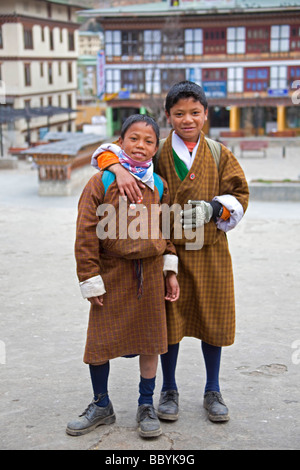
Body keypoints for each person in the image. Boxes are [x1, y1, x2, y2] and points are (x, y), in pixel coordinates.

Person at [96, 81, 249, 423]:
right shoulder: (156, 150)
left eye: (195, 112)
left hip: (210, 250)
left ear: (206, 114)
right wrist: (118, 168)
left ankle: (213, 388)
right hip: (168, 253)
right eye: (179, 113)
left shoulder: (218, 153)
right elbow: (109, 151)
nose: (187, 119)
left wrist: (214, 208)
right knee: (169, 323)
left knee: (214, 319)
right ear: (167, 116)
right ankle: (169, 389)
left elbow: (240, 194)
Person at [66, 114, 179, 438]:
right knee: (99, 343)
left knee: (151, 343)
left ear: (156, 148)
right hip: (112, 274)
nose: (141, 146)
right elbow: (86, 231)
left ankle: (146, 405)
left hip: (152, 275)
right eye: (134, 138)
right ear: (120, 141)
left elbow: (166, 229)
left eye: (149, 141)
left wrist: (170, 272)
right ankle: (101, 404)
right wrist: (90, 278)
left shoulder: (158, 184)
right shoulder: (101, 181)